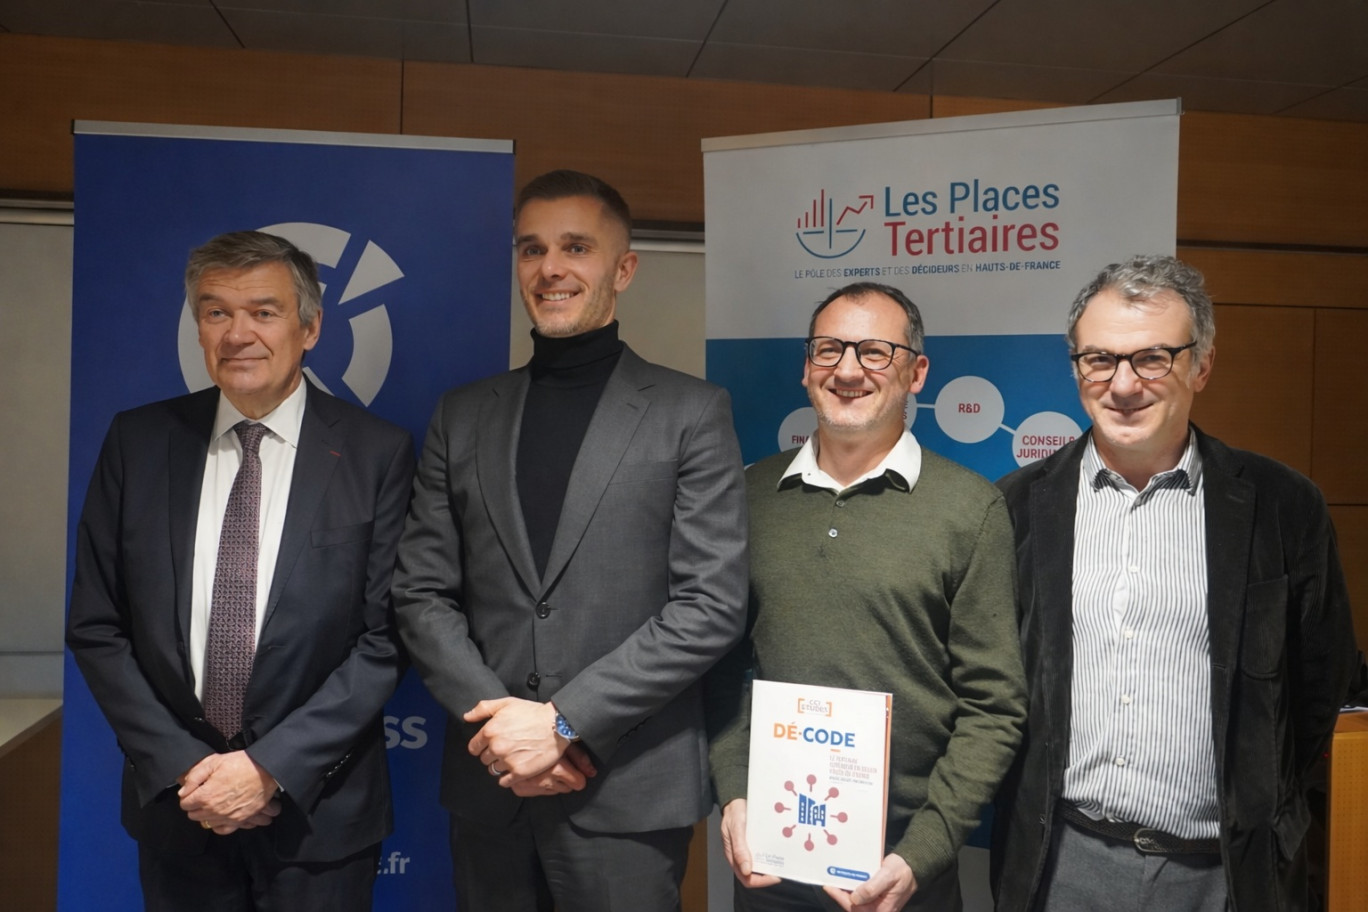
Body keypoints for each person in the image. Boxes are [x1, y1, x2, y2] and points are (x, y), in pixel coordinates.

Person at [391, 169, 748, 911]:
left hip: (627, 793)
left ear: (622, 269)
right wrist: (503, 734)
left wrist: (562, 722)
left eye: (576, 247)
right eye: (532, 249)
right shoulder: (462, 415)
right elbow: (421, 592)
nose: (550, 268)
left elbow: (710, 605)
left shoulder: (691, 412)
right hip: (491, 789)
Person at [991, 255, 1358, 912]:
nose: (1123, 384)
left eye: (1152, 358)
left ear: (1202, 365)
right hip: (1062, 865)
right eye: (1099, 359)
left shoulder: (1282, 506)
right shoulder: (1017, 506)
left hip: (1226, 874)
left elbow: (1316, 689)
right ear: (1076, 368)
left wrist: (1258, 809)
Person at [66, 230, 415, 910]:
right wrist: (185, 767)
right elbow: (97, 626)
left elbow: (387, 638)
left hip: (322, 816)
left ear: (309, 328)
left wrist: (268, 770)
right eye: (216, 312)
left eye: (263, 311)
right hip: (180, 809)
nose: (237, 334)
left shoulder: (378, 454)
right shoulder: (138, 443)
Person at [707, 282, 1027, 912]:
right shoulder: (746, 496)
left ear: (917, 372)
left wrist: (924, 852)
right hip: (770, 856)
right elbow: (723, 666)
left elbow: (994, 706)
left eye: (875, 352)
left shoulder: (971, 510)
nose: (848, 370)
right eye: (829, 350)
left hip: (905, 872)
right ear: (806, 368)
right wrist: (735, 794)